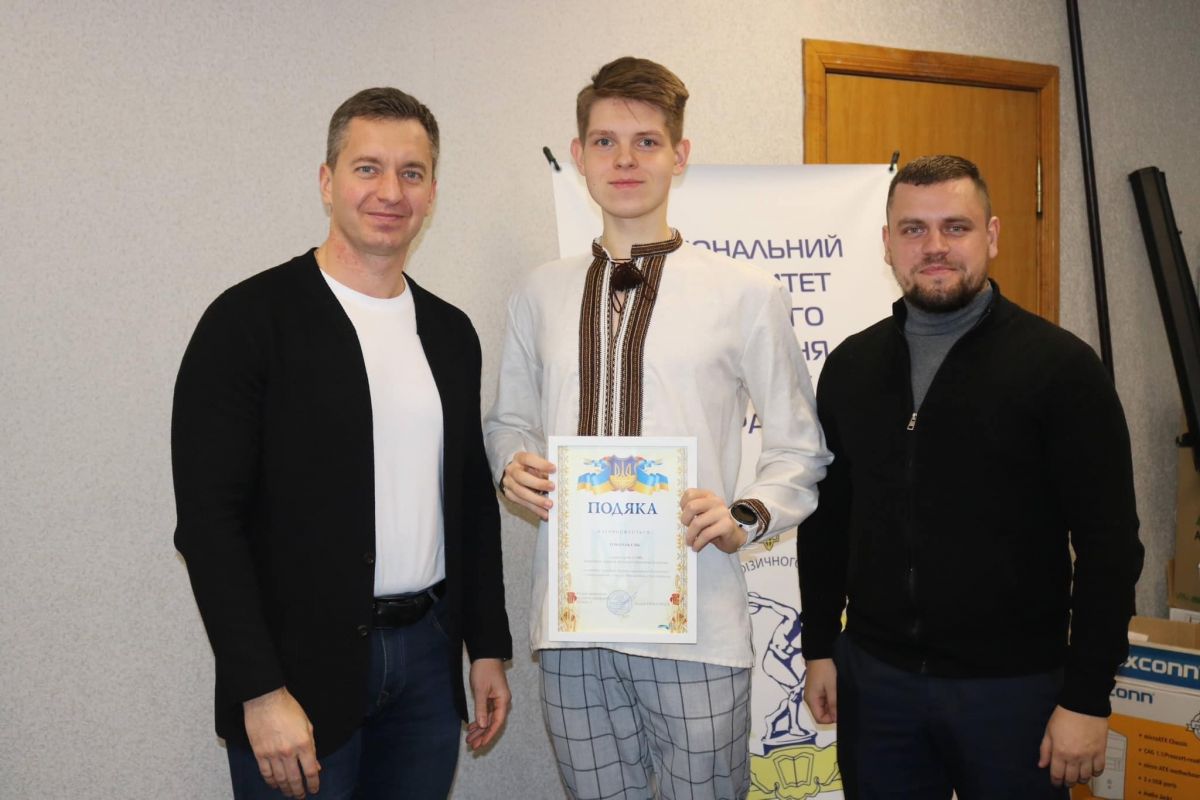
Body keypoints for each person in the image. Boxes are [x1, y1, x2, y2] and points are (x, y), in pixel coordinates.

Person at [484, 56, 830, 800]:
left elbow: (799, 447)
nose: (625, 160)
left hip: (698, 622)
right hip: (572, 625)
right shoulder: (538, 293)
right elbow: (508, 420)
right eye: (605, 142)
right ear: (579, 157)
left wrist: (745, 515)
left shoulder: (744, 293)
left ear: (680, 155)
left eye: (646, 142)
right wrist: (512, 463)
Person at [172, 87, 512, 800]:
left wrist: (486, 646)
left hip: (427, 664)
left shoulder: (450, 333)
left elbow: (470, 502)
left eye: (411, 173)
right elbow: (208, 525)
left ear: (432, 193)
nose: (390, 191)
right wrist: (259, 689)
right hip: (296, 671)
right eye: (367, 168)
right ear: (327, 182)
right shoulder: (248, 322)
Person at [798, 154, 1144, 799]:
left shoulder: (1061, 369)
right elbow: (828, 521)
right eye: (914, 229)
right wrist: (820, 644)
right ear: (887, 243)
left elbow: (1110, 547)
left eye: (955, 227)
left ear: (992, 234)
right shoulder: (850, 367)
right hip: (878, 685)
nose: (934, 246)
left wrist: (1087, 697)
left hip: (1016, 692)